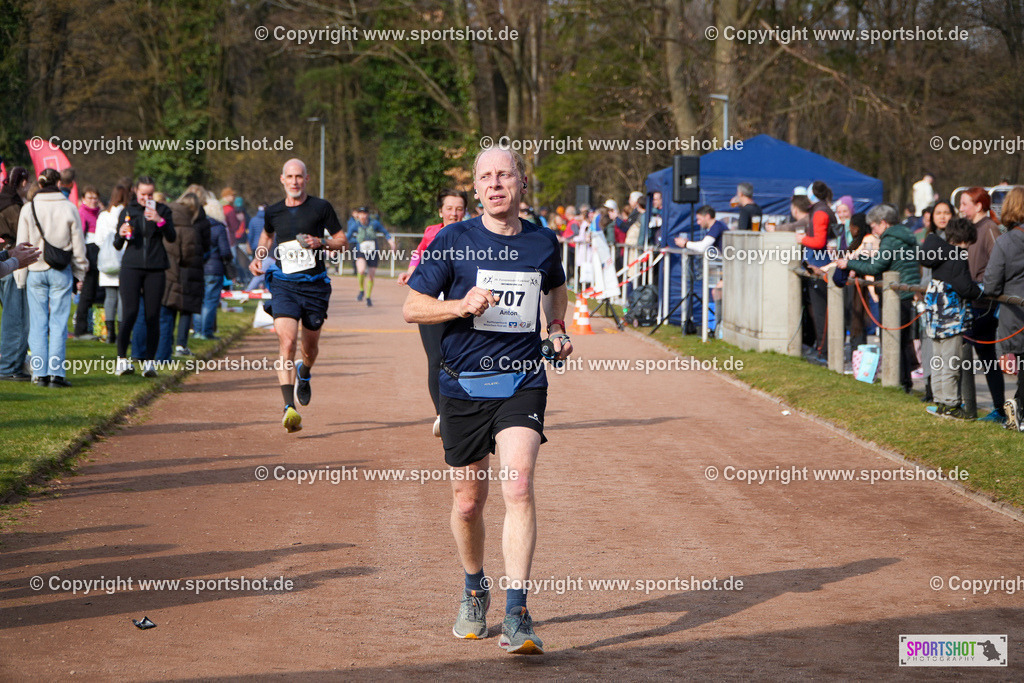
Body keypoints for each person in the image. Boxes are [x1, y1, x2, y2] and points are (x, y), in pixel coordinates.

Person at [403, 146, 572, 655]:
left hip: (522, 379)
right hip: (462, 383)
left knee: (517, 486)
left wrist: (557, 326)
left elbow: (556, 288)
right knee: (469, 502)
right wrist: (459, 304)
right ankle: (475, 587)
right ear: (475, 189)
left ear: (522, 183)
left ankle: (517, 610)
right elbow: (412, 307)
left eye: (505, 175)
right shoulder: (452, 239)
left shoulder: (544, 242)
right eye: (486, 177)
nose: (496, 184)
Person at [249, 158, 347, 433]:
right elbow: (267, 238)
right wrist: (258, 258)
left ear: (306, 179)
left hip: (315, 285)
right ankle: (288, 407)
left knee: (309, 348)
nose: (294, 181)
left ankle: (304, 372)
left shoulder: (321, 207)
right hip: (283, 284)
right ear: (282, 179)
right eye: (290, 177)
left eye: (299, 177)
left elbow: (342, 241)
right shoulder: (273, 211)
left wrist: (322, 242)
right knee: (287, 340)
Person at [397, 189, 469, 437]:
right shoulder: (431, 232)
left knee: (460, 357)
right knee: (436, 358)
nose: (454, 213)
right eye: (449, 208)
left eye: (459, 208)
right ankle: (442, 415)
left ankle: (465, 410)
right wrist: (410, 272)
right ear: (441, 211)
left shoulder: (473, 232)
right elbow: (418, 254)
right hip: (431, 303)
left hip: (463, 305)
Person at [14, 168, 87, 387]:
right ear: (59, 183)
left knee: (37, 324)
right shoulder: (69, 208)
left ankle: (39, 374)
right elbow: (79, 245)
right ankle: (56, 374)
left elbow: (22, 243)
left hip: (35, 269)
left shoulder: (29, 208)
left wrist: (20, 277)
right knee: (58, 323)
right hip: (60, 270)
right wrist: (80, 271)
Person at [836, 204, 921, 392]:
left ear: (883, 223)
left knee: (892, 339)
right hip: (908, 293)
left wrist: (849, 263)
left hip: (895, 295)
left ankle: (897, 383)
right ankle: (905, 383)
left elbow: (876, 267)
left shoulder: (890, 239)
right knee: (904, 340)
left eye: (873, 226)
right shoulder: (907, 234)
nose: (873, 231)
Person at [113, 176, 175, 377]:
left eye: (150, 194)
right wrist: (121, 233)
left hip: (156, 268)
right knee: (129, 313)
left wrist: (159, 220)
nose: (146, 198)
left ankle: (149, 363)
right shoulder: (127, 211)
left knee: (152, 316)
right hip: (131, 267)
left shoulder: (162, 210)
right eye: (143, 194)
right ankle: (122, 360)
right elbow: (117, 244)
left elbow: (172, 237)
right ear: (135, 191)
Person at [920, 217, 982, 419]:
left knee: (937, 361)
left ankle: (939, 401)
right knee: (951, 363)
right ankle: (951, 405)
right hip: (951, 321)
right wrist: (980, 291)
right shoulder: (957, 256)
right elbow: (964, 287)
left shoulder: (940, 254)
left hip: (935, 320)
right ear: (966, 239)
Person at [960, 187, 1006, 422]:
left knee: (978, 351)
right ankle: (970, 404)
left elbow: (999, 262)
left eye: (964, 203)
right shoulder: (971, 230)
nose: (960, 208)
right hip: (972, 300)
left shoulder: (989, 228)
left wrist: (985, 286)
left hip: (984, 303)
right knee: (980, 354)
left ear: (979, 206)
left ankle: (991, 407)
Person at [985, 186, 1024, 431]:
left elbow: (990, 284)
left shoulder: (1005, 241)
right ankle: (1018, 409)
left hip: (1015, 315)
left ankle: (1018, 411)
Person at [158, 192, 211, 360]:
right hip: (187, 272)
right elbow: (190, 255)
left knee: (165, 315)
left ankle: (161, 353)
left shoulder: (165, 220)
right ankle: (179, 346)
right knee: (185, 310)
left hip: (165, 272)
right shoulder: (190, 229)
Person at [0, 166, 33, 380]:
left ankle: (12, 363)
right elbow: (21, 232)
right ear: (23, 182)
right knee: (17, 315)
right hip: (11, 262)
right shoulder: (13, 206)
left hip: (5, 259)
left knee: (12, 315)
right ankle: (9, 366)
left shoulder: (3, 200)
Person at [94, 184, 129, 345]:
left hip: (107, 261)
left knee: (110, 297)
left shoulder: (103, 215)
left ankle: (110, 335)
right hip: (123, 259)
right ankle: (122, 334)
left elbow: (98, 239)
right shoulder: (127, 214)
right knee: (122, 297)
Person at [346, 206, 394, 306]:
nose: (363, 215)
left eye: (365, 213)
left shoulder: (374, 223)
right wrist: (336, 248)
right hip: (361, 251)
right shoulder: (355, 225)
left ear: (368, 214)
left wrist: (391, 242)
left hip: (373, 252)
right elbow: (347, 238)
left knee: (371, 275)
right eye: (361, 213)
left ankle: (368, 297)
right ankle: (361, 290)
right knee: (361, 270)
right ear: (358, 215)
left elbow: (385, 232)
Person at [73, 186, 103, 339]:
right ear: (83, 199)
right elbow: (80, 237)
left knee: (96, 294)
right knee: (86, 293)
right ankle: (80, 329)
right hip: (88, 253)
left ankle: (96, 327)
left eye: (95, 198)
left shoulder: (100, 213)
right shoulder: (82, 213)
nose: (93, 201)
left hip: (99, 253)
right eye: (90, 198)